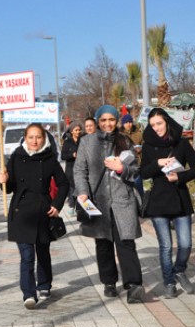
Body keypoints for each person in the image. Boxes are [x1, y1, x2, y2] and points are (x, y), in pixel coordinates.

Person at [73, 105, 145, 304]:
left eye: (111, 120)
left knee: (126, 242)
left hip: (123, 200)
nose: (107, 124)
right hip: (98, 201)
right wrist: (83, 192)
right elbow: (79, 171)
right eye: (103, 120)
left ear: (116, 121)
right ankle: (109, 281)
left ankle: (133, 285)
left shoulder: (125, 141)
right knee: (103, 243)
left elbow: (136, 170)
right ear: (97, 121)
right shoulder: (87, 142)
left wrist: (122, 168)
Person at [0, 123, 69, 309]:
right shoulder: (16, 156)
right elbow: (11, 187)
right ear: (25, 138)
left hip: (43, 210)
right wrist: (4, 181)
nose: (35, 141)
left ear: (44, 138)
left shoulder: (49, 158)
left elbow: (63, 184)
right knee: (27, 256)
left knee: (43, 251)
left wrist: (57, 204)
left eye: (38, 137)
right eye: (31, 137)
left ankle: (44, 284)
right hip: (21, 211)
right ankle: (28, 294)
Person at [140, 108, 195, 299]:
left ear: (167, 122)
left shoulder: (182, 143)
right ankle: (168, 282)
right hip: (158, 201)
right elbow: (143, 172)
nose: (157, 128)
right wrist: (158, 163)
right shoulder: (148, 146)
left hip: (180, 198)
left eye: (159, 123)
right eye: (153, 125)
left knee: (185, 244)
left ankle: (179, 270)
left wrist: (180, 176)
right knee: (166, 246)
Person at [60, 122, 82, 216]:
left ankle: (80, 207)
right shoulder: (67, 142)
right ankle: (72, 206)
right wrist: (72, 155)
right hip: (70, 169)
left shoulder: (82, 140)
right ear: (72, 131)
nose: (78, 132)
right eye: (76, 130)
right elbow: (63, 156)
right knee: (72, 189)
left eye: (79, 130)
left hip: (81, 168)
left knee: (81, 187)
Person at [120, 114, 144, 197]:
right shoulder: (120, 134)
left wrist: (141, 149)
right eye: (126, 122)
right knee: (127, 189)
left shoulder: (138, 134)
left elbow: (144, 145)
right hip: (124, 165)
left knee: (138, 186)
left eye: (130, 122)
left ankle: (142, 205)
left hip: (137, 164)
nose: (128, 124)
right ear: (123, 124)